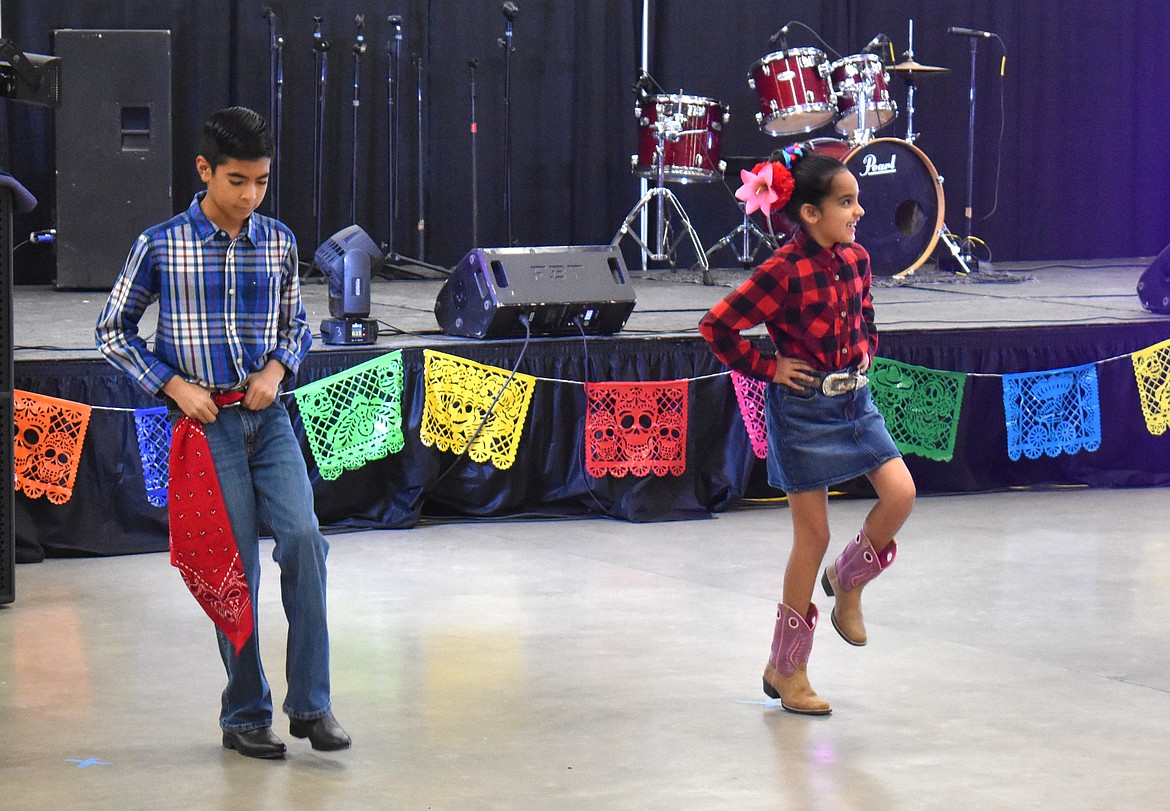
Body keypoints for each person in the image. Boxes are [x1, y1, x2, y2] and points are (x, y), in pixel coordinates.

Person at [95, 106, 350, 758]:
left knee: (304, 542)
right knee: (233, 570)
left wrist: (275, 367)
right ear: (205, 169)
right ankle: (244, 712)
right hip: (206, 431)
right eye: (237, 180)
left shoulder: (280, 241)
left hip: (271, 423)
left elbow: (297, 324)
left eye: (261, 181)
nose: (250, 195)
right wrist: (173, 386)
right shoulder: (160, 244)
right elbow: (111, 331)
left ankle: (311, 704)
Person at [698, 143, 916, 715]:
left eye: (857, 201)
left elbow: (866, 316)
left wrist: (867, 348)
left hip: (855, 402)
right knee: (810, 537)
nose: (858, 212)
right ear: (811, 214)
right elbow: (717, 326)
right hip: (802, 412)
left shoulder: (858, 258)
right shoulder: (781, 271)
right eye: (846, 203)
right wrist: (769, 366)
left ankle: (847, 582)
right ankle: (786, 667)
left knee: (901, 494)